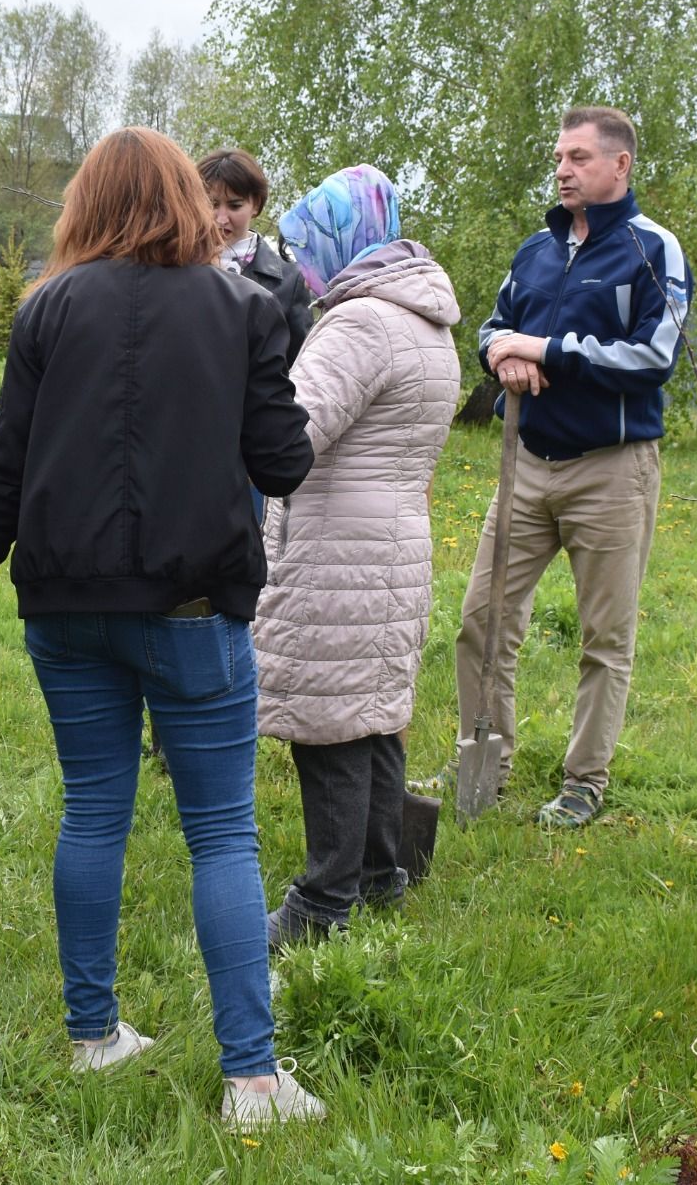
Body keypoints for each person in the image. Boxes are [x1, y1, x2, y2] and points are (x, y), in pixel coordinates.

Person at [0, 127, 325, 1126]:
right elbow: (284, 462)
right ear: (186, 202)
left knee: (94, 812)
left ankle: (93, 1034)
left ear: (86, 203)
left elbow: (2, 459)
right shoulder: (242, 307)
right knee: (221, 836)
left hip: (66, 607)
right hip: (195, 607)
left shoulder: (47, 307)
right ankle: (251, 1078)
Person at [443, 106, 691, 827]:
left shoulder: (653, 251)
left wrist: (546, 351)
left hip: (611, 470)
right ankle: (481, 762)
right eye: (559, 156)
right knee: (482, 621)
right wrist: (499, 353)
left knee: (604, 638)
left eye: (579, 157)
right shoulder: (536, 250)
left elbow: (654, 358)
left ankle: (584, 780)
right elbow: (492, 326)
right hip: (525, 461)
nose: (562, 169)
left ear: (620, 165)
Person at [252, 166, 461, 951]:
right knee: (374, 715)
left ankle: (323, 898)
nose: (301, 265)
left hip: (339, 547)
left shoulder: (360, 323)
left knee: (331, 723)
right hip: (394, 542)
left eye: (306, 247)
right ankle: (381, 873)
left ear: (344, 239)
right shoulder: (423, 316)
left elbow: (291, 433)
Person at [198, 148, 314, 369]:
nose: (221, 218)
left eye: (235, 205)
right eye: (212, 204)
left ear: (256, 205)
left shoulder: (290, 281)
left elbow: (300, 367)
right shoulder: (176, 265)